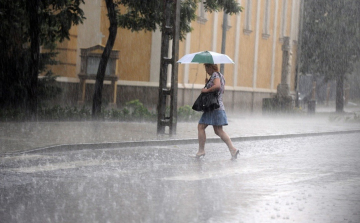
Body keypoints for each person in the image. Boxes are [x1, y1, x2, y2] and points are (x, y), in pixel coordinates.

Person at [195, 63, 239, 160]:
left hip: (213, 107)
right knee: (218, 130)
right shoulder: (220, 76)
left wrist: (206, 90)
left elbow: (217, 86)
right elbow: (220, 89)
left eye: (207, 68)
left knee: (201, 126)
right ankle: (233, 149)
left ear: (211, 67)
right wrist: (208, 83)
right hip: (219, 107)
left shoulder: (215, 75)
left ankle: (201, 150)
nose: (206, 70)